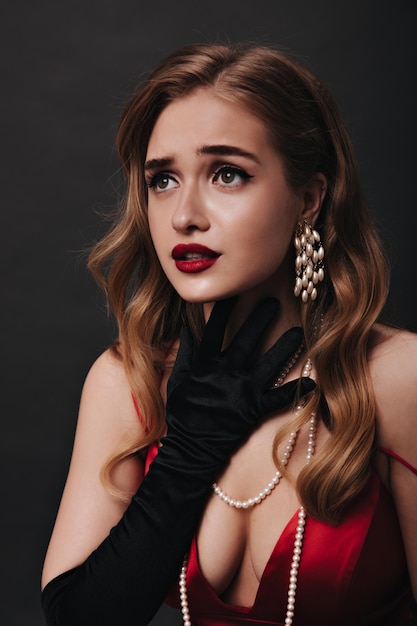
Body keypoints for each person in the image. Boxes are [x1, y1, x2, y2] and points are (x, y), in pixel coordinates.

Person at [41, 42, 417, 625]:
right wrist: (188, 454)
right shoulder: (128, 383)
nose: (185, 214)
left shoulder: (396, 378)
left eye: (226, 174)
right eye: (163, 179)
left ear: (309, 199)